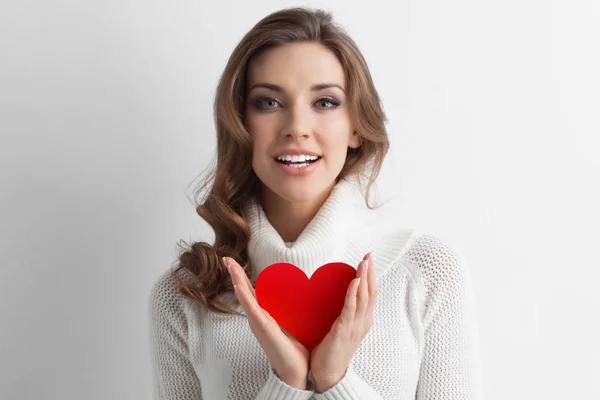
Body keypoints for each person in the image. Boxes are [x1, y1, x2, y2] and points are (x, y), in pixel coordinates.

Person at [148, 6, 484, 400]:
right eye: (268, 103)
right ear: (241, 125)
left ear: (356, 124)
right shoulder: (187, 294)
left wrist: (337, 380)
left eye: (325, 102)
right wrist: (286, 384)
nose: (296, 128)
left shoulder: (427, 272)